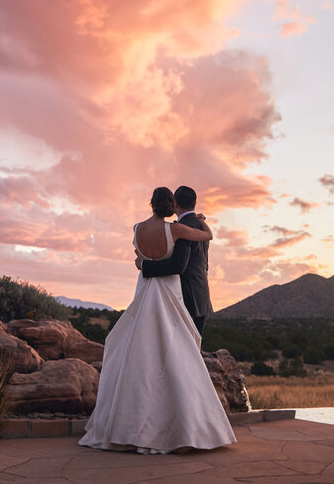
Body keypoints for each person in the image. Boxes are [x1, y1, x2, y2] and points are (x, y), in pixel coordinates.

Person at [78, 187, 236, 454]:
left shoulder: (137, 228)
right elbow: (207, 236)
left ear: (152, 203)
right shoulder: (176, 231)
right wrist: (204, 223)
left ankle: (128, 422)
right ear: (171, 205)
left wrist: (144, 264)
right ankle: (175, 421)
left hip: (145, 292)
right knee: (176, 354)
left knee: (140, 351)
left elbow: (139, 257)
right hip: (169, 293)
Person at [140, 185, 212, 336]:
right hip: (201, 294)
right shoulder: (200, 225)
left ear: (175, 203)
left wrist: (145, 266)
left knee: (181, 349)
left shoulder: (182, 228)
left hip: (185, 297)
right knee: (193, 349)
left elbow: (178, 265)